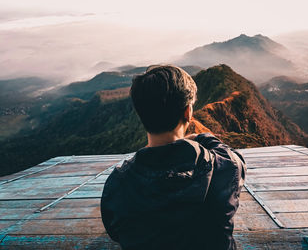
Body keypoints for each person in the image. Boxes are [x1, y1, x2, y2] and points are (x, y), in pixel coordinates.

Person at [100, 65, 246, 250]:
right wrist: (201, 137)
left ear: (140, 113)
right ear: (188, 112)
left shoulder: (117, 185)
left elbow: (115, 232)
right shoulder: (223, 168)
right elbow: (234, 158)